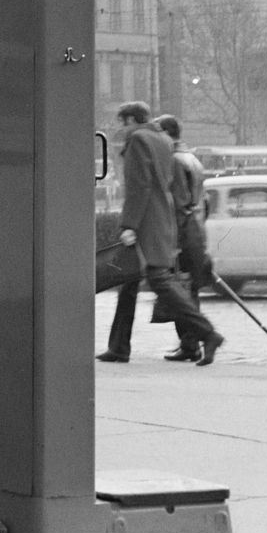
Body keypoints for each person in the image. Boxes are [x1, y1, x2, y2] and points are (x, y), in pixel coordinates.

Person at [98, 102, 223, 367]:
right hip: (161, 216)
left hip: (147, 220)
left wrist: (129, 224)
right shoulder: (162, 139)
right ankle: (118, 347)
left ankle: (208, 333)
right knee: (129, 283)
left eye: (122, 122)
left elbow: (139, 186)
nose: (121, 128)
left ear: (131, 119)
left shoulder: (138, 140)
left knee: (157, 279)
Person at [156, 114, 213, 362]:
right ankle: (190, 343)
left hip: (183, 232)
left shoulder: (175, 161)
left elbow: (178, 202)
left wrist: (173, 240)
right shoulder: (192, 158)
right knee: (188, 289)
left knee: (181, 290)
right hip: (196, 229)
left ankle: (191, 343)